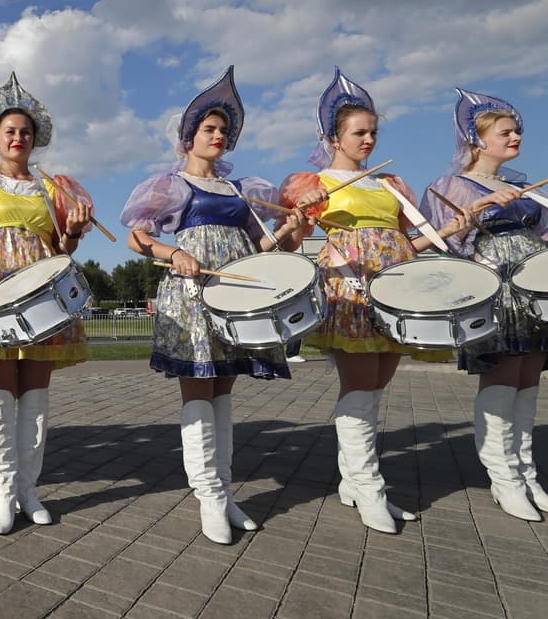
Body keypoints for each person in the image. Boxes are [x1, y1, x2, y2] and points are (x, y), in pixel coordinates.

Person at [120, 67, 307, 544]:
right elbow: (137, 238)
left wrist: (287, 231)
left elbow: (257, 247)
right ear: (189, 138)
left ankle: (224, 493)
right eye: (209, 129)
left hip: (237, 292)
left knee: (224, 393)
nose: (218, 136)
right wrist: (173, 253)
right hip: (193, 292)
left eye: (223, 130)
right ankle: (207, 496)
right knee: (199, 392)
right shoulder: (171, 185)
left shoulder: (242, 189)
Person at [280, 69, 468, 534]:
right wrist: (301, 212)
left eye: (373, 133)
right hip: (351, 285)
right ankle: (370, 489)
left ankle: (352, 481)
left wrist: (447, 230)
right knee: (360, 385)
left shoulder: (390, 184)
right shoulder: (314, 181)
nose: (368, 140)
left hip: (395, 285)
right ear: (334, 138)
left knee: (376, 385)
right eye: (358, 133)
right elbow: (291, 241)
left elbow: (407, 243)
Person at [0, 73, 93, 534]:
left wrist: (72, 232)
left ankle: (30, 489)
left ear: (35, 138)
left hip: (42, 294)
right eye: (10, 131)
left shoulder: (53, 187)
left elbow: (63, 249)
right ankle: (4, 494)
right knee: (1, 396)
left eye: (25, 132)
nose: (18, 138)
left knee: (36, 398)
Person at [422, 89, 548, 521]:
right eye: (506, 132)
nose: (516, 137)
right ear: (477, 141)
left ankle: (526, 472)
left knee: (528, 380)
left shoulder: (520, 185)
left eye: (517, 131)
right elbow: (446, 242)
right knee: (503, 376)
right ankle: (503, 477)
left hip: (532, 288)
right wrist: (477, 209)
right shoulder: (451, 186)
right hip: (494, 287)